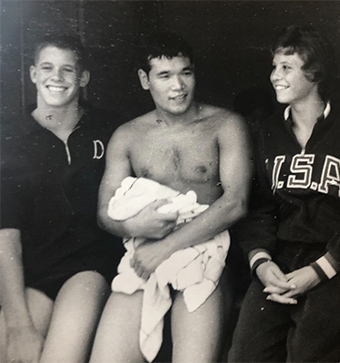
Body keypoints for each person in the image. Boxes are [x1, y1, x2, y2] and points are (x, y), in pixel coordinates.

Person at [89, 32, 252, 363]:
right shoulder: (128, 136)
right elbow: (105, 213)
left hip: (207, 252)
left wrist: (165, 247)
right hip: (144, 252)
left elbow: (236, 203)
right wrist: (135, 224)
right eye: (164, 75)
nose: (178, 86)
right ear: (144, 80)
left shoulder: (225, 124)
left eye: (186, 72)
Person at [0, 34, 123, 362]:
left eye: (68, 70)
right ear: (33, 74)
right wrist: (17, 326)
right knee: (13, 349)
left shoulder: (110, 129)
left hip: (90, 267)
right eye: (47, 67)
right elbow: (5, 236)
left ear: (83, 78)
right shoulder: (10, 139)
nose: (57, 77)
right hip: (35, 272)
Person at [230, 25, 340, 362]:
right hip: (280, 263)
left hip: (337, 262)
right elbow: (259, 208)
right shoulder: (266, 132)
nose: (274, 76)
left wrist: (322, 269)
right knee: (244, 354)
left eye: (287, 68)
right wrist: (262, 262)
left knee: (309, 353)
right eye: (274, 67)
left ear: (314, 73)